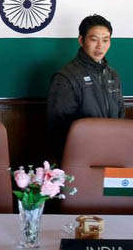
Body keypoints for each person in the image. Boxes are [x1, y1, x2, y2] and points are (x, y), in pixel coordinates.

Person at [46, 14, 125, 161]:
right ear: (81, 40)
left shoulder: (112, 75)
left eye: (105, 40)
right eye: (94, 39)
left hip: (112, 151)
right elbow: (59, 128)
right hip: (80, 156)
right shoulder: (66, 77)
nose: (100, 46)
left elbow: (120, 116)